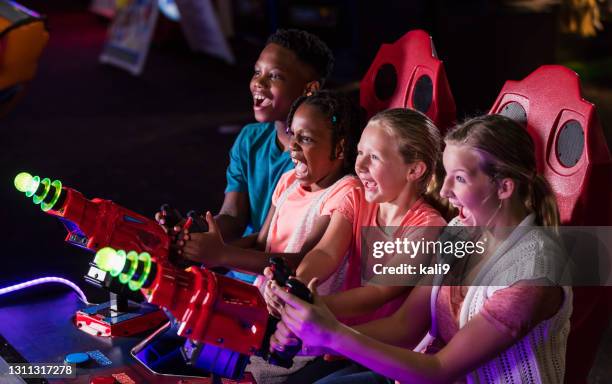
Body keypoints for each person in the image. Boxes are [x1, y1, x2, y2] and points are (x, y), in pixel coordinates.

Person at [271, 114, 571, 384]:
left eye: (460, 179)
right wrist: (313, 337)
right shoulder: (459, 233)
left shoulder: (531, 275)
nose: (443, 192)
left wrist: (334, 336)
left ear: (504, 188)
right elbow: (405, 326)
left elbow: (439, 370)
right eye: (447, 174)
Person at [262, 108, 447, 383]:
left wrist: (314, 307)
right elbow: (326, 252)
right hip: (335, 336)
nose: (359, 165)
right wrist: (296, 289)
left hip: (383, 352)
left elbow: (378, 292)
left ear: (414, 170)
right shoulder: (357, 197)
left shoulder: (429, 228)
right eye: (360, 153)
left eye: (373, 157)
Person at [157, 29, 334, 242]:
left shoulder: (320, 155)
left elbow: (286, 243)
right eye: (257, 72)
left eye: (275, 76)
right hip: (242, 261)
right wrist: (191, 228)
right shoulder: (250, 139)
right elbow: (233, 218)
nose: (259, 83)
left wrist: (220, 254)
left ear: (310, 90)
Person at [178, 90, 362, 284]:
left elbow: (303, 261)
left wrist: (222, 254)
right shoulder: (288, 181)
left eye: (306, 139)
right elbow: (262, 243)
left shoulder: (344, 193)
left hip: (301, 307)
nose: (293, 145)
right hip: (267, 294)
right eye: (292, 134)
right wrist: (207, 248)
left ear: (339, 148)